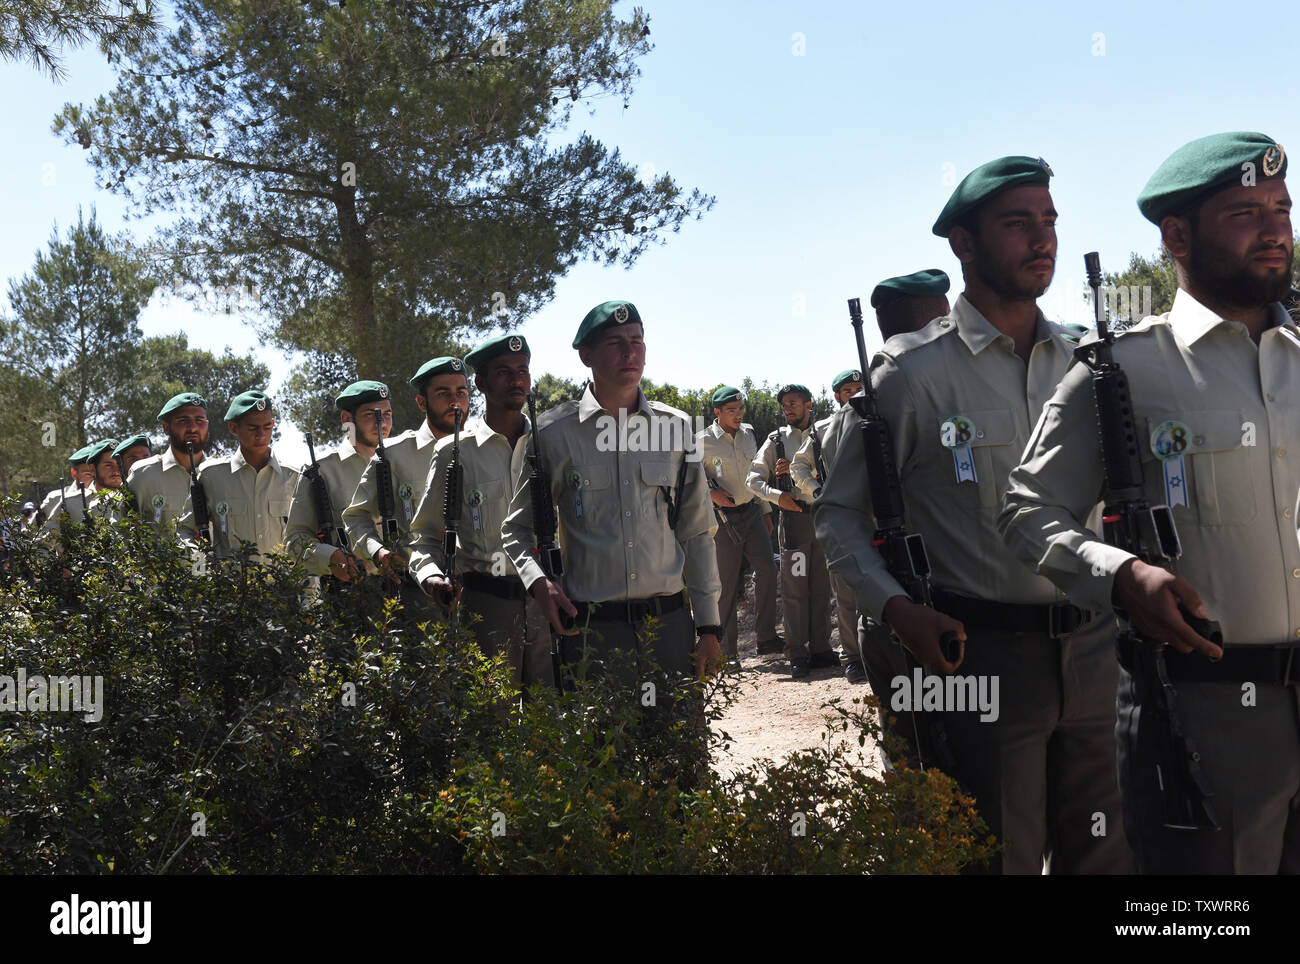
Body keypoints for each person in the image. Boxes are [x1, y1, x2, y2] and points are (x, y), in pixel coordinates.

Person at [816, 155, 1132, 874]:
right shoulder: (911, 374)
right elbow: (837, 516)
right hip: (977, 655)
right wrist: (897, 612)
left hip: (1096, 651)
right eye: (1017, 224)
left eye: (1048, 222)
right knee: (996, 856)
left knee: (1106, 858)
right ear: (963, 244)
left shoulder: (1091, 362)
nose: (1041, 239)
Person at [1000, 132, 1298, 874]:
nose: (1274, 229)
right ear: (1176, 237)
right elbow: (1025, 509)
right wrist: (1120, 576)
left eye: (1282, 208)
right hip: (1206, 715)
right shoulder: (1122, 373)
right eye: (1244, 213)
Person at [501, 300, 722, 683]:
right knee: (598, 743)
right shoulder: (552, 434)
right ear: (586, 355)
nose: (629, 352)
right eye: (616, 342)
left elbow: (697, 531)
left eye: (637, 341)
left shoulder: (675, 429)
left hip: (668, 628)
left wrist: (709, 628)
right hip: (590, 633)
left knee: (677, 742)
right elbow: (516, 531)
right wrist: (541, 584)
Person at [409, 335, 551, 684]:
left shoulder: (551, 445)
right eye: (504, 372)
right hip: (486, 607)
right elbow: (423, 537)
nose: (517, 380)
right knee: (492, 726)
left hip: (549, 606)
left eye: (523, 370)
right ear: (482, 383)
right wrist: (431, 577)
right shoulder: (455, 451)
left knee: (550, 723)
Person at [343, 356, 467, 589]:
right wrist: (378, 552)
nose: (455, 401)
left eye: (461, 392)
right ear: (422, 402)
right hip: (417, 589)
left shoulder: (482, 449)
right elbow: (355, 516)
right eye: (443, 393)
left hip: (477, 589)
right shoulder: (393, 454)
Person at [747, 383, 834, 679]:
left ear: (809, 404)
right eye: (785, 404)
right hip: (795, 523)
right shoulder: (776, 441)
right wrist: (778, 496)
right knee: (795, 587)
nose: (788, 408)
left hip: (824, 519)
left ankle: (822, 648)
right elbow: (753, 480)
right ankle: (797, 651)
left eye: (794, 402)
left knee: (822, 585)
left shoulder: (825, 432)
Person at [695, 386, 781, 661]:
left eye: (740, 409)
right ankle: (728, 654)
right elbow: (689, 481)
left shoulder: (749, 433)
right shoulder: (700, 441)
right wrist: (712, 494)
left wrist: (766, 511)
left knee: (768, 570)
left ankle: (766, 638)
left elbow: (755, 476)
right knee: (727, 587)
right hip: (722, 521)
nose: (738, 414)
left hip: (752, 512)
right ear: (717, 412)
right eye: (731, 410)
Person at [792, 369, 866, 682]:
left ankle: (882, 653)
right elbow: (798, 466)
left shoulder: (876, 418)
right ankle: (853, 658)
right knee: (846, 594)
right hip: (841, 519)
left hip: (874, 517)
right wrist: (817, 491)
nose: (855, 394)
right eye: (848, 390)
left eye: (859, 388)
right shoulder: (822, 430)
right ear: (837, 396)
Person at [285, 380, 393, 585]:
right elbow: (294, 540)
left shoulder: (400, 462)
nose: (382, 423)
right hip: (350, 593)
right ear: (346, 419)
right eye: (371, 415)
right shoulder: (320, 471)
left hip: (406, 589)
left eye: (387, 415)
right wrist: (331, 558)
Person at [178, 390, 298, 558]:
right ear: (234, 428)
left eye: (267, 427)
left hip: (283, 583)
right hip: (231, 583)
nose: (261, 435)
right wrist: (200, 564)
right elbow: (185, 530)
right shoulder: (212, 476)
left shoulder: (293, 477)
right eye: (253, 428)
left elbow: (305, 536)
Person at [126, 392, 209, 532]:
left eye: (200, 420)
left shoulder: (219, 474)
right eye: (183, 421)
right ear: (166, 428)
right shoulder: (143, 475)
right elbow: (123, 530)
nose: (193, 427)